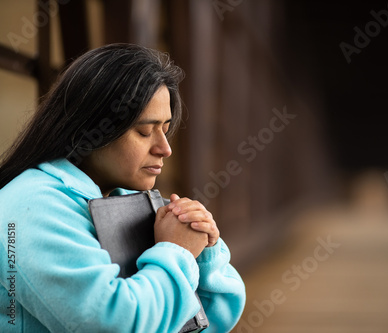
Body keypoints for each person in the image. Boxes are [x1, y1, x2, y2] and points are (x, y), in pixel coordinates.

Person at [0, 43, 245, 332]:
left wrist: (203, 251)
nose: (165, 149)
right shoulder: (31, 207)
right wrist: (176, 252)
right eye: (144, 132)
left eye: (165, 130)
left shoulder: (125, 200)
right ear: (87, 129)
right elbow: (112, 323)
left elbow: (211, 323)